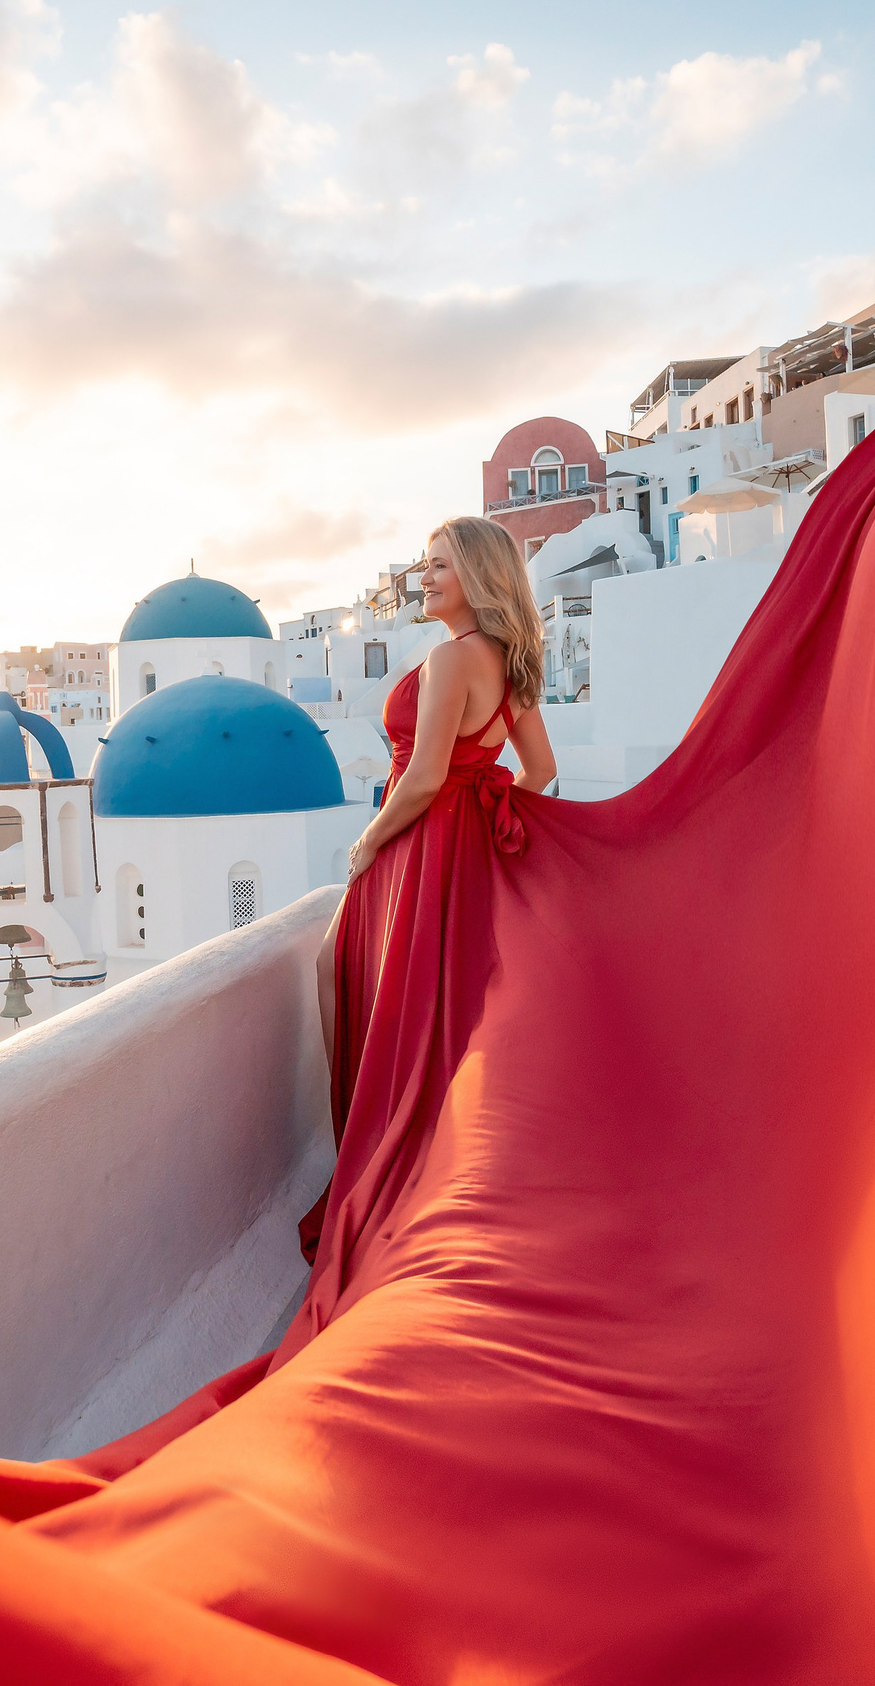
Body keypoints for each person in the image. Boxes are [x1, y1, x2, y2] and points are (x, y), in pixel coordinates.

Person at [303, 515, 555, 1261]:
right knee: (426, 1011)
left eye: (439, 565)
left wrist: (369, 838)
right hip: (459, 849)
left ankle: (367, 1159)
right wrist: (489, 818)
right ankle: (399, 1158)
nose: (425, 577)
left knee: (342, 976)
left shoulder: (452, 659)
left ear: (477, 576)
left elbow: (422, 776)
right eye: (424, 564)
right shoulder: (510, 663)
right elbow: (539, 771)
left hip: (415, 843)